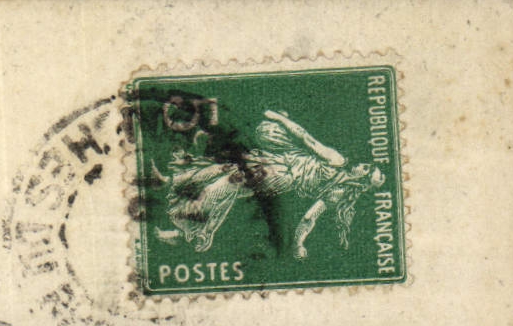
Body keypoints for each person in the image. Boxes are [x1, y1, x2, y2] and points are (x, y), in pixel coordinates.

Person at [156, 109, 384, 258]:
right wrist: (298, 245)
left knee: (229, 181)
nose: (362, 165)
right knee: (227, 168)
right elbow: (309, 219)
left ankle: (193, 228)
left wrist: (280, 118)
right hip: (280, 162)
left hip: (281, 174)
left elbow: (307, 139)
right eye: (367, 165)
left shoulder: (338, 161)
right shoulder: (337, 192)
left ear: (362, 179)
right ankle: (172, 186)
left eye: (366, 169)